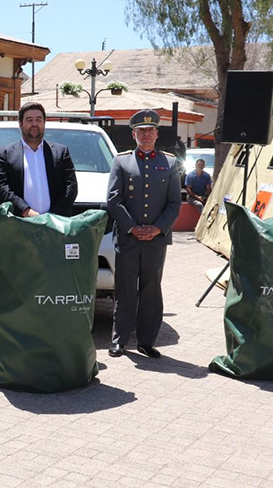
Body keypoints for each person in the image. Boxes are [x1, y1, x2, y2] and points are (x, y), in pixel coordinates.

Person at [106, 109, 182, 359]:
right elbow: (114, 199)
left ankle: (147, 341)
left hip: (156, 241)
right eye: (141, 131)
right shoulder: (122, 161)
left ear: (157, 134)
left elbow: (174, 203)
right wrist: (132, 227)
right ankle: (120, 340)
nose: (146, 134)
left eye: (150, 130)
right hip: (128, 238)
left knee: (151, 290)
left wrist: (158, 228)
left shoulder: (169, 162)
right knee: (125, 290)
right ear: (134, 134)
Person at [0, 101, 77, 218]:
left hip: (56, 225)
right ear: (20, 124)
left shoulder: (61, 152)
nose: (34, 124)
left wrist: (52, 217)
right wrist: (25, 211)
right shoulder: (5, 154)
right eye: (29, 120)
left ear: (44, 123)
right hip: (19, 224)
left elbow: (71, 186)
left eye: (38, 120)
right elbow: (0, 187)